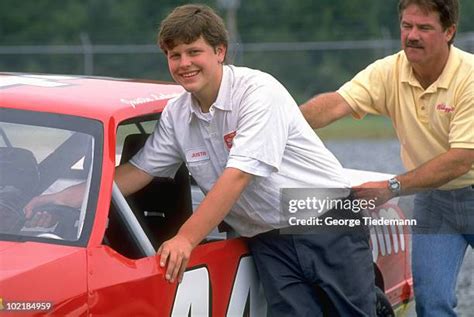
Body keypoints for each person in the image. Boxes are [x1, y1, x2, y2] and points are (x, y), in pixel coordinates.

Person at [25, 4, 376, 316]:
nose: (184, 63)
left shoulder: (258, 91)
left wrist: (186, 238)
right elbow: (136, 173)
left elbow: (238, 176)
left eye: (195, 51)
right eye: (174, 55)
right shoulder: (178, 113)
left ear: (220, 51)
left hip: (326, 216)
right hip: (266, 235)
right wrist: (64, 197)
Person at [300, 0, 473, 315]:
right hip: (434, 200)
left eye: (424, 27)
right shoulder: (389, 71)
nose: (412, 36)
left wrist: (393, 186)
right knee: (433, 303)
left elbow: (461, 159)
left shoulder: (469, 78)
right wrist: (280, 123)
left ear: (449, 31)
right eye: (407, 26)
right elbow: (337, 103)